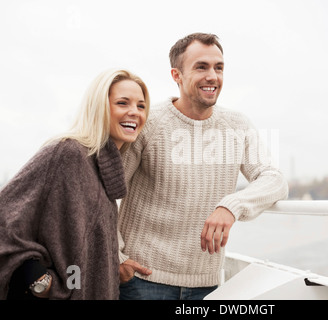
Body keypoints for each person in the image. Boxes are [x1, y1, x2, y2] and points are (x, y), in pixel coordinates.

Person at [118, 33, 289, 300]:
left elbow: (274, 179)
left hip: (206, 285)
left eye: (218, 68)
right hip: (142, 280)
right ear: (176, 75)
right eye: (201, 67)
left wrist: (231, 206)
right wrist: (116, 254)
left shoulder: (237, 125)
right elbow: (105, 193)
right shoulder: (148, 122)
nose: (213, 76)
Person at [0, 68, 150, 300]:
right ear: (100, 107)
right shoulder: (67, 153)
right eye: (123, 103)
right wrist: (43, 283)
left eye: (141, 106)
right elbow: (4, 217)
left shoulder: (103, 168)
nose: (134, 112)